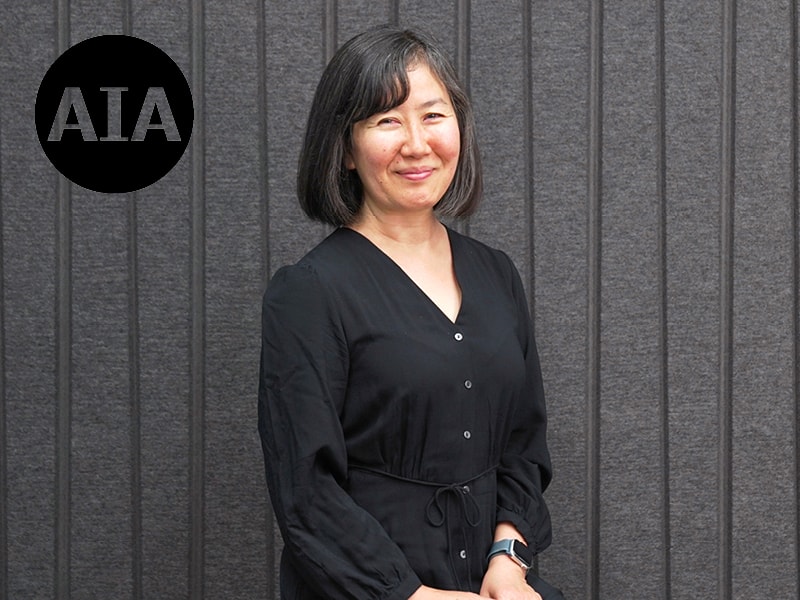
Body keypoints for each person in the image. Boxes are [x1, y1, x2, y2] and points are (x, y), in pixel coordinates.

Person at [258, 24, 563, 600]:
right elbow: (307, 492)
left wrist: (509, 557)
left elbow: (524, 443)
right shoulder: (309, 292)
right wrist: (411, 596)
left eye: (433, 115)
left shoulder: (496, 274)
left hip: (496, 583)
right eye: (386, 120)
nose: (417, 143)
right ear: (345, 148)